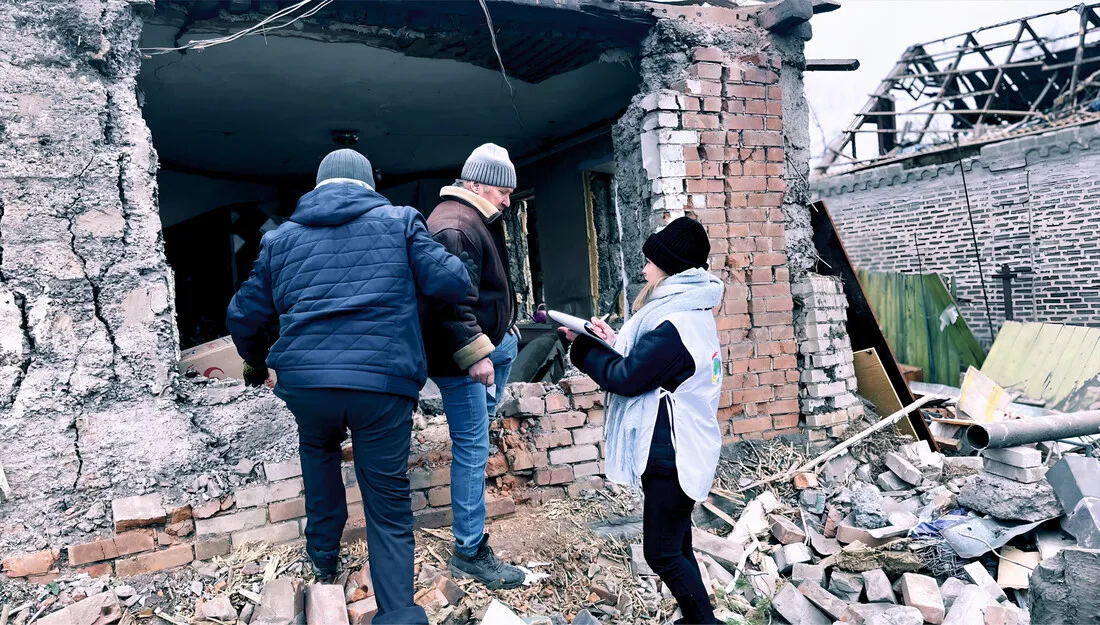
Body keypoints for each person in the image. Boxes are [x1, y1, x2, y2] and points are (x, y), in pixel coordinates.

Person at [226, 148, 471, 625]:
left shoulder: (280, 240)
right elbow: (452, 283)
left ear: (318, 187)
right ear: (368, 185)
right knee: (387, 501)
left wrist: (256, 362)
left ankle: (323, 562)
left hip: (306, 385)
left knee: (318, 459)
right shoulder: (401, 221)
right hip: (380, 383)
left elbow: (242, 316)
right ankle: (398, 613)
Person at [559, 216, 724, 625]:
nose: (644, 269)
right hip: (680, 445)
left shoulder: (674, 323)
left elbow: (628, 378)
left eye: (651, 261)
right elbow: (649, 364)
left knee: (662, 552)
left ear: (670, 266)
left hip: (671, 450)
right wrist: (611, 342)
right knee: (677, 545)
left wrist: (583, 349)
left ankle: (705, 622)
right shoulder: (687, 311)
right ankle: (696, 618)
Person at [420, 143, 527, 589]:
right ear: (479, 183)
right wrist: (477, 353)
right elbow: (450, 303)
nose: (507, 200)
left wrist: (507, 334)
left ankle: (500, 358)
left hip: (484, 349)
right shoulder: (457, 227)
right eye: (504, 191)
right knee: (472, 449)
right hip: (461, 361)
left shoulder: (470, 218)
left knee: (478, 432)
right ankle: (469, 551)